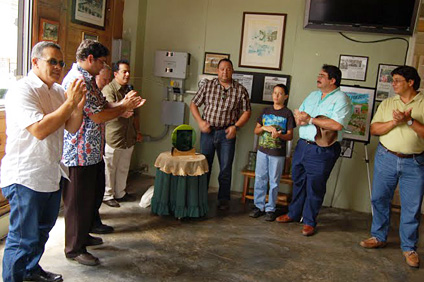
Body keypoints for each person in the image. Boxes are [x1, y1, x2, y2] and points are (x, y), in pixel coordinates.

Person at [1, 41, 86, 282]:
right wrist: (70, 103)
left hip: (50, 174)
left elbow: (70, 127)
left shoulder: (58, 92)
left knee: (41, 233)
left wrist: (77, 106)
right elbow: (39, 130)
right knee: (21, 239)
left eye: (61, 62)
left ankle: (29, 271)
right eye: (52, 61)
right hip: (25, 176)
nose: (58, 67)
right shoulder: (22, 90)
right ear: (35, 62)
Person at [61, 40, 145, 266]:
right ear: (89, 59)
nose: (103, 66)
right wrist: (124, 107)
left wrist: (124, 104)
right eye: (101, 61)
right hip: (79, 153)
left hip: (93, 152)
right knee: (78, 203)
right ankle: (74, 249)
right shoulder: (79, 81)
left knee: (91, 198)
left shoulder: (89, 80)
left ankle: (84, 235)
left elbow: (103, 105)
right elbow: (97, 116)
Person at [276, 64, 352, 236]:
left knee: (315, 186)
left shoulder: (342, 99)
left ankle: (309, 221)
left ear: (332, 80)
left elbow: (337, 124)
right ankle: (294, 213)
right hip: (303, 144)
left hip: (322, 149)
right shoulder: (313, 95)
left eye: (322, 75)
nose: (318, 78)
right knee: (298, 180)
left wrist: (310, 119)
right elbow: (300, 115)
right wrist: (300, 118)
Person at [360, 66, 424, 268]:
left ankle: (409, 248)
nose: (393, 84)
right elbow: (374, 129)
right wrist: (395, 122)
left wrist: (409, 120)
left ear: (410, 82)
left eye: (397, 80)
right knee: (379, 198)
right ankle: (378, 236)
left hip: (415, 162)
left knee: (411, 206)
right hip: (386, 157)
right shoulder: (388, 103)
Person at [190, 58, 251, 210]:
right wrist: (200, 122)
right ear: (217, 71)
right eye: (222, 68)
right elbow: (193, 104)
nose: (225, 71)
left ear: (232, 71)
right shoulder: (208, 86)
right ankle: (200, 196)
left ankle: (223, 199)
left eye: (228, 69)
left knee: (225, 168)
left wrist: (235, 127)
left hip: (227, 133)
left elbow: (247, 112)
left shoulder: (240, 90)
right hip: (208, 132)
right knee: (204, 166)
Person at [249, 84, 295, 221]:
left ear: (285, 96)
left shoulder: (287, 113)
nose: (276, 96)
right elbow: (256, 131)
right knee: (260, 178)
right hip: (262, 151)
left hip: (277, 153)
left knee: (274, 181)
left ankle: (271, 208)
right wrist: (264, 127)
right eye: (274, 93)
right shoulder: (265, 110)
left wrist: (280, 135)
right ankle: (259, 206)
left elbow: (290, 135)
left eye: (280, 93)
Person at [102, 59, 143, 208]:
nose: (127, 74)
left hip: (128, 135)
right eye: (124, 71)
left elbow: (136, 114)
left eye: (128, 71)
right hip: (114, 136)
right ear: (115, 73)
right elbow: (109, 110)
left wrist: (137, 131)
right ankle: (107, 195)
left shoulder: (129, 89)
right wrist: (122, 110)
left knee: (123, 166)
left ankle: (120, 193)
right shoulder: (109, 89)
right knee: (109, 168)